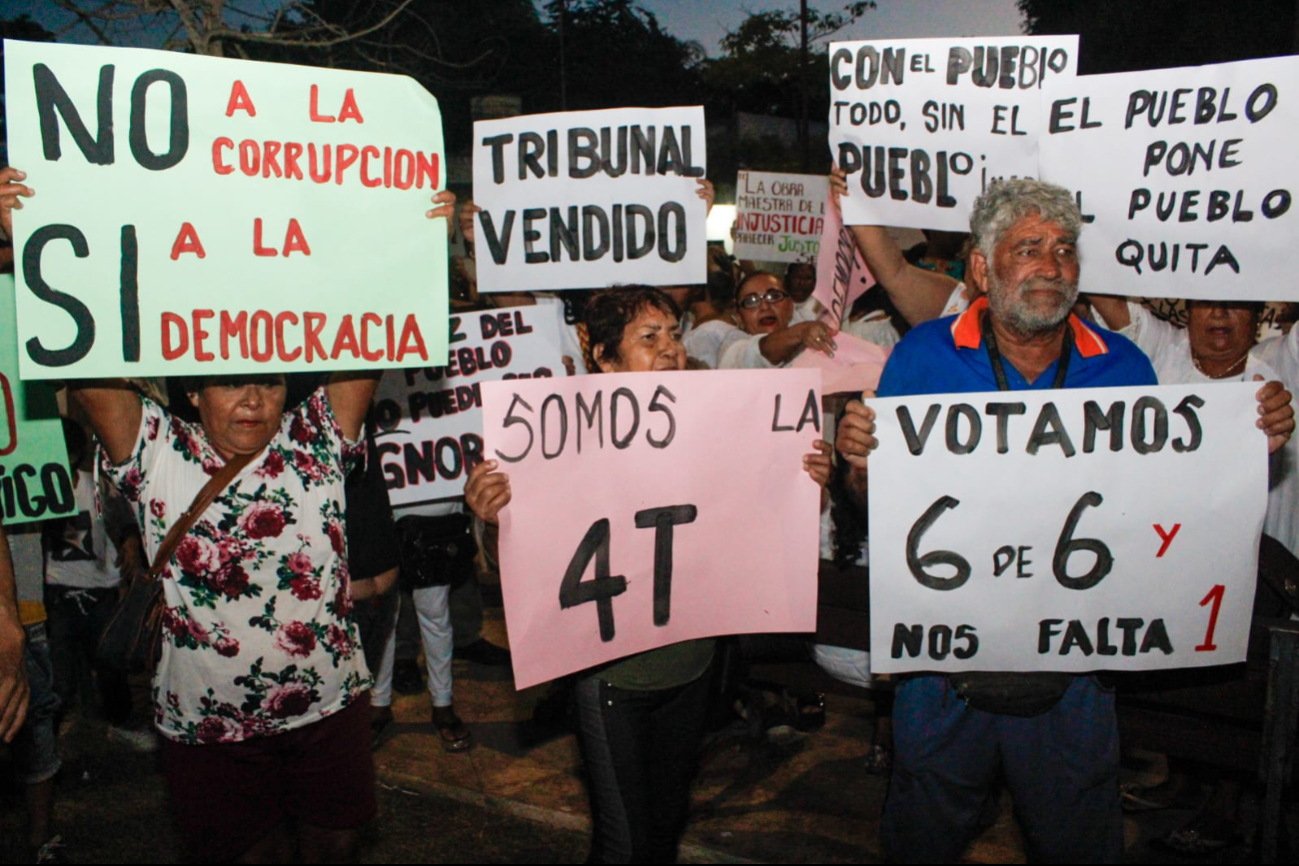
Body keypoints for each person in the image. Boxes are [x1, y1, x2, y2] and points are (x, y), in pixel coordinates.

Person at [0, 172, 457, 861]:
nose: (253, 398)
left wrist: (417, 239)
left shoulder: (317, 439)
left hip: (329, 708)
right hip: (210, 730)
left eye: (269, 379)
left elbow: (377, 319)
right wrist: (27, 233)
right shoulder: (155, 451)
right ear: (192, 386)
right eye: (231, 379)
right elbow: (84, 348)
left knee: (333, 845)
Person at [834, 178, 1161, 862]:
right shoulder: (922, 356)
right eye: (1028, 248)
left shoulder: (1124, 366)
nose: (1051, 265)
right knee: (922, 838)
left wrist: (1242, 446)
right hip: (942, 668)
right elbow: (885, 510)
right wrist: (860, 466)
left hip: (1074, 670)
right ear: (982, 269)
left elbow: (1156, 511)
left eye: (1065, 249)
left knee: (1077, 841)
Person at [465, 286, 830, 863]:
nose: (670, 349)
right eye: (648, 338)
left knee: (663, 824)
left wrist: (803, 474)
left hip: (693, 671)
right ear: (604, 358)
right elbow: (524, 555)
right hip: (614, 681)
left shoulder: (714, 420)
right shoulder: (558, 438)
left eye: (675, 334)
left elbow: (754, 514)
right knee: (624, 843)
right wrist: (492, 517)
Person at [719, 272, 838, 369]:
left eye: (774, 297)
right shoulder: (733, 347)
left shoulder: (806, 324)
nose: (765, 306)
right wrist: (801, 332)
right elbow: (758, 352)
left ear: (791, 305)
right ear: (739, 317)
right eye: (751, 302)